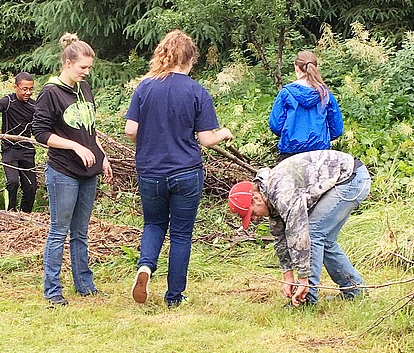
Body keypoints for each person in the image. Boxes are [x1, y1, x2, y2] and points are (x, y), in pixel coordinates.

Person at [125, 30, 234, 308]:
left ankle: (146, 267)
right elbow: (206, 140)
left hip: (150, 171)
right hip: (186, 171)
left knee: (153, 223)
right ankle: (174, 296)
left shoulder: (145, 87)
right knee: (181, 234)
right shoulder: (197, 91)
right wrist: (225, 133)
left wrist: (149, 139)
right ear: (189, 59)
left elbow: (130, 130)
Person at [227, 150, 370, 307]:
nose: (255, 219)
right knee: (325, 240)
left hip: (351, 179)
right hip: (347, 178)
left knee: (313, 233)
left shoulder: (282, 193)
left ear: (256, 199)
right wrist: (287, 276)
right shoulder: (268, 194)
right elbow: (280, 237)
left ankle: (307, 299)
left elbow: (299, 234)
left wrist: (302, 279)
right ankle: (355, 292)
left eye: (252, 214)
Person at [32, 33, 113, 306]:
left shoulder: (84, 89)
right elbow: (40, 134)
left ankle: (85, 285)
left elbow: (89, 129)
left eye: (89, 68)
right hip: (63, 172)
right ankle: (53, 291)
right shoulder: (50, 93)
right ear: (67, 63)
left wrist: (102, 156)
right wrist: (74, 147)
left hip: (88, 173)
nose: (86, 72)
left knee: (81, 232)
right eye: (82, 68)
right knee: (59, 231)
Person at [268, 51, 343, 163]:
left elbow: (275, 126)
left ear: (296, 67)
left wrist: (288, 135)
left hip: (290, 153)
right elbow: (336, 129)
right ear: (315, 67)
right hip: (320, 154)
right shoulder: (325, 94)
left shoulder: (286, 93)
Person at [0, 72, 37, 212]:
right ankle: (10, 211)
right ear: (15, 87)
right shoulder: (8, 101)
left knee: (31, 186)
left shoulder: (35, 106)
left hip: (27, 149)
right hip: (9, 149)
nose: (28, 92)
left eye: (31, 89)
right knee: (12, 182)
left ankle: (25, 215)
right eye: (24, 89)